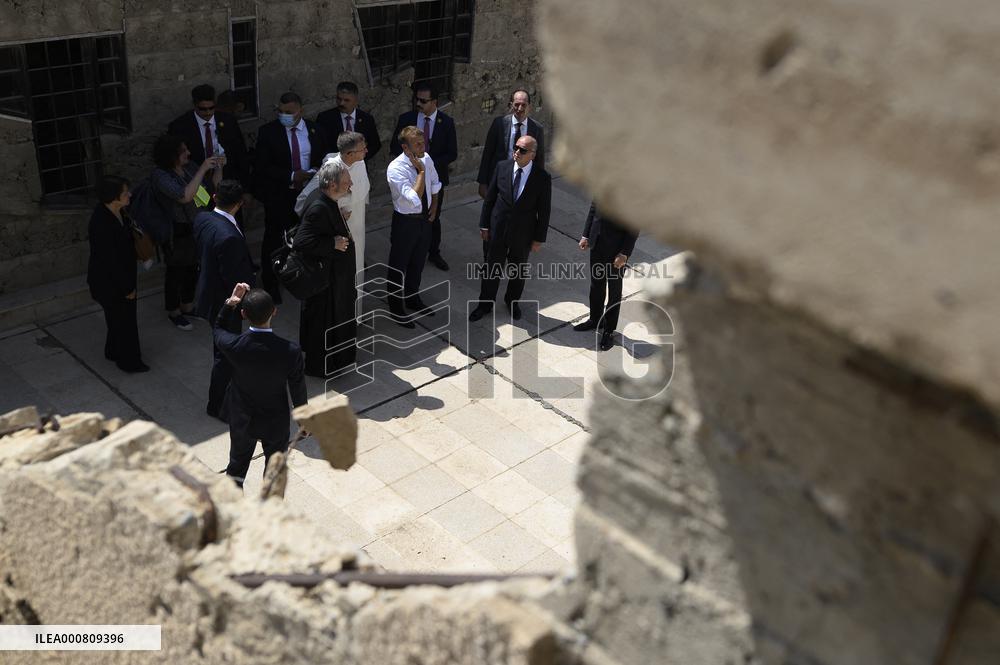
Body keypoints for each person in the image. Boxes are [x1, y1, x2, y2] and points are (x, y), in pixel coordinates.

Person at [213, 283, 307, 489]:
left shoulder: (234, 346)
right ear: (274, 311)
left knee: (236, 468)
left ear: (244, 314)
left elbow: (218, 329)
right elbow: (297, 387)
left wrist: (230, 304)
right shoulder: (290, 351)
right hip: (275, 421)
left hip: (242, 418)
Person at [253, 92, 331, 304]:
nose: (284, 115)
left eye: (289, 112)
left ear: (300, 111)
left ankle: (303, 276)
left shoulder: (315, 130)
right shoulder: (268, 133)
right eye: (280, 111)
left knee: (307, 236)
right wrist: (291, 175)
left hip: (308, 195)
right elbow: (262, 166)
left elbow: (325, 157)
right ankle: (271, 283)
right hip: (281, 195)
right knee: (274, 239)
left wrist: (314, 172)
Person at [469, 135, 551, 322]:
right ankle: (484, 305)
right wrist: (484, 225)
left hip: (523, 234)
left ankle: (512, 302)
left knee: (518, 272)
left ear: (532, 154)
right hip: (497, 230)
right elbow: (490, 199)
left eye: (522, 150)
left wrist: (539, 238)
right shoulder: (502, 167)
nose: (517, 152)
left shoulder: (542, 177)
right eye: (516, 147)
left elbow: (544, 210)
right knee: (491, 269)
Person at [194, 180, 257, 419]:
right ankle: (218, 405)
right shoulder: (229, 236)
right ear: (240, 203)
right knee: (226, 355)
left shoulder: (203, 218)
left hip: (210, 293)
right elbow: (233, 277)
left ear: (214, 197)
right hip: (225, 302)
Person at [151, 134, 223, 330]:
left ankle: (188, 305)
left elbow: (211, 190)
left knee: (192, 268)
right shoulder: (161, 176)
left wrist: (218, 167)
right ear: (171, 155)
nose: (188, 154)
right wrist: (203, 169)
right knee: (176, 271)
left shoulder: (189, 168)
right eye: (183, 151)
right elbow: (184, 196)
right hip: (176, 230)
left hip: (196, 225)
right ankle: (174, 311)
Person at [294, 160, 355, 376]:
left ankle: (335, 360)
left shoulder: (326, 200)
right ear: (332, 185)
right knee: (321, 324)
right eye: (346, 182)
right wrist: (332, 244)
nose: (350, 185)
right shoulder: (319, 207)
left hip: (333, 279)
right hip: (324, 282)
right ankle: (320, 366)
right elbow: (301, 241)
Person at [389, 82, 458, 271]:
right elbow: (395, 146)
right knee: (408, 215)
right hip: (410, 178)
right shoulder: (407, 119)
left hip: (434, 179)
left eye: (423, 100)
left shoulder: (446, 122)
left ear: (434, 102)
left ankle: (433, 252)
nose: (418, 103)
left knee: (432, 216)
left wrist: (427, 163)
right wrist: (412, 163)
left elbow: (452, 153)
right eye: (417, 99)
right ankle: (405, 249)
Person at [87, 176, 148, 373]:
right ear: (113, 197)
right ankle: (129, 361)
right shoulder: (101, 223)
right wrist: (127, 288)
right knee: (125, 322)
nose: (129, 194)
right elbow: (109, 261)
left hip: (121, 276)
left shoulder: (119, 211)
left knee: (117, 319)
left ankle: (113, 350)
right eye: (124, 193)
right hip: (111, 282)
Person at [294, 131, 370, 284]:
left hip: (357, 224)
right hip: (337, 231)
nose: (366, 151)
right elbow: (306, 199)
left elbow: (363, 191)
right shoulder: (331, 169)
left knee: (358, 264)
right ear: (349, 154)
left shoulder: (360, 163)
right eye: (362, 149)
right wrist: (335, 212)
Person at [385, 126, 442, 328]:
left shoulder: (426, 158)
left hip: (424, 220)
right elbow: (413, 197)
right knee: (399, 265)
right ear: (405, 148)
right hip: (406, 222)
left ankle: (412, 297)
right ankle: (396, 307)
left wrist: (434, 205)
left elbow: (435, 183)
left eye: (422, 142)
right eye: (417, 144)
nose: (422, 147)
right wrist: (421, 172)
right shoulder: (395, 169)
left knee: (418, 261)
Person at [574, 202, 639, 351]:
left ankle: (609, 330)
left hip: (616, 250)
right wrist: (586, 235)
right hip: (597, 243)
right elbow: (593, 209)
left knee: (614, 291)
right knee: (596, 285)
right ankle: (595, 319)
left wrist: (625, 253)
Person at [167, 84, 249, 190]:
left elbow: (241, 155)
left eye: (211, 108)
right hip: (196, 186)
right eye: (203, 109)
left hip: (227, 185)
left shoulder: (228, 121)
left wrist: (246, 190)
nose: (208, 113)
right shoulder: (180, 127)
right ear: (194, 105)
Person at [476, 89, 546, 200]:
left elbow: (539, 158)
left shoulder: (536, 128)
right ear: (511, 105)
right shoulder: (499, 124)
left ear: (529, 107)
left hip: (523, 179)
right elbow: (488, 153)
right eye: (516, 104)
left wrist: (540, 185)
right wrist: (482, 182)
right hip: (500, 178)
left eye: (524, 105)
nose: (520, 109)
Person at [316, 81, 382, 161]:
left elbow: (375, 144)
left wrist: (360, 158)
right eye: (339, 99)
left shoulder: (366, 119)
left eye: (346, 100)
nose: (341, 103)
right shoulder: (325, 118)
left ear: (356, 101)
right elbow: (320, 145)